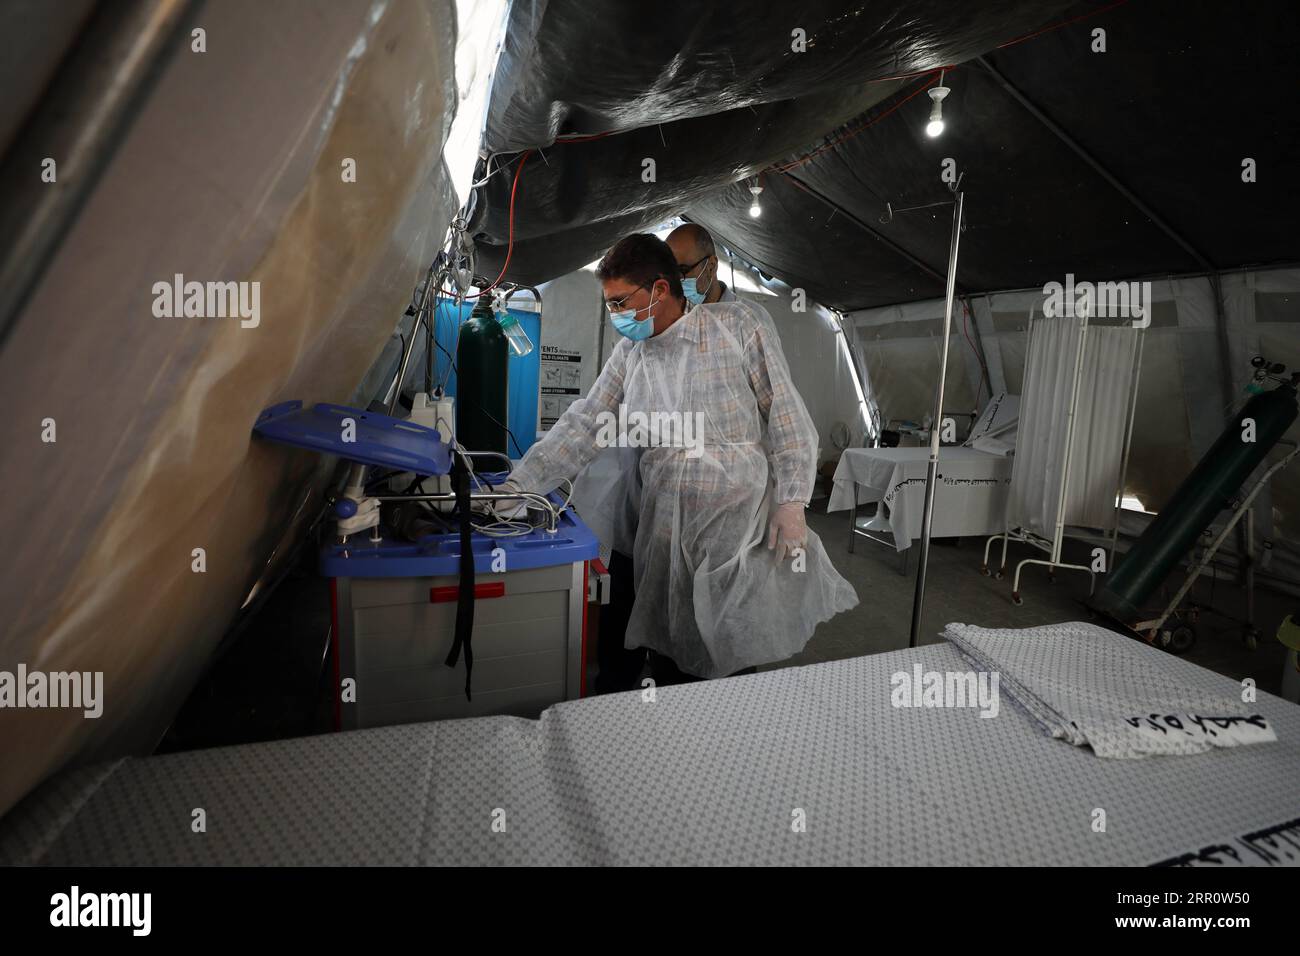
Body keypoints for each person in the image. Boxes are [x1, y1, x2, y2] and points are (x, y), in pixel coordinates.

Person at [503, 234, 857, 682]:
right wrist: (520, 484)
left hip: (734, 530)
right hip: (664, 529)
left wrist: (792, 500)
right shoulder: (632, 352)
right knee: (671, 651)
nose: (616, 316)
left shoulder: (737, 327)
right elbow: (586, 421)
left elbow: (785, 410)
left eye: (619, 303)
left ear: (659, 290)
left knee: (729, 648)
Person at [665, 222, 736, 306]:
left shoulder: (747, 316)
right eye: (669, 272)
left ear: (711, 267)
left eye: (682, 270)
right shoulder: (672, 314)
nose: (674, 282)